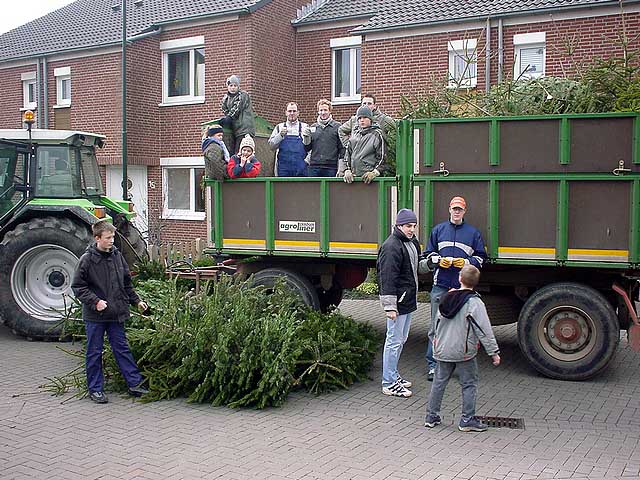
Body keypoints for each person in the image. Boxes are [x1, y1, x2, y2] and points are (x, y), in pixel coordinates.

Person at [71, 220, 149, 404]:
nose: (112, 240)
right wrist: (95, 302)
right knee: (94, 352)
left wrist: (137, 301)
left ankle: (135, 384)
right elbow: (78, 287)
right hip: (96, 316)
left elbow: (126, 284)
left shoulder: (117, 257)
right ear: (97, 238)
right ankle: (96, 389)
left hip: (116, 314)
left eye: (113, 237)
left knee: (122, 349)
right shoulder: (87, 260)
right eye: (108, 238)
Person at [424, 264, 500, 432]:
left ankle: (431, 416)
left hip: (442, 349)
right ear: (476, 282)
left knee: (438, 382)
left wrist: (436, 343)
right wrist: (493, 352)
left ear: (459, 279)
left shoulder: (445, 297)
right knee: (469, 384)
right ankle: (467, 419)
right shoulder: (475, 303)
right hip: (464, 352)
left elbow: (435, 324)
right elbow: (484, 330)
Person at [423, 196, 487, 381]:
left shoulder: (473, 233)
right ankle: (433, 365)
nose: (457, 212)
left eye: (460, 209)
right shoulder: (439, 230)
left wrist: (467, 262)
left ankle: (460, 366)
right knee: (435, 327)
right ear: (449, 210)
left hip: (462, 289)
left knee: (462, 328)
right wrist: (437, 260)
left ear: (464, 211)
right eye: (454, 209)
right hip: (440, 285)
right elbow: (428, 254)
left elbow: (482, 257)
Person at [377, 208, 421, 398]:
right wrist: (390, 307)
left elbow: (416, 266)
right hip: (399, 303)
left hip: (407, 300)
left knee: (400, 340)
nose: (411, 229)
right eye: (408, 226)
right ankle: (388, 383)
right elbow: (386, 277)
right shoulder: (391, 246)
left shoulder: (411, 243)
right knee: (393, 342)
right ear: (398, 225)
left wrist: (430, 263)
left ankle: (393, 376)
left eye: (413, 226)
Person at [342, 106, 384, 184]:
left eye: (365, 117)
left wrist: (375, 172)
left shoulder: (377, 135)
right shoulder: (354, 135)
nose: (362, 120)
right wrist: (347, 170)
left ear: (370, 119)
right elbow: (347, 155)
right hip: (354, 179)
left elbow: (383, 158)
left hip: (370, 180)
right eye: (360, 118)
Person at [302, 99, 344, 177]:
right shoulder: (313, 127)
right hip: (314, 167)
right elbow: (307, 148)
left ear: (330, 111)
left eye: (325, 110)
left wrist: (341, 168)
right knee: (313, 189)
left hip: (331, 167)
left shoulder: (337, 127)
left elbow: (342, 148)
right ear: (318, 111)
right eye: (321, 110)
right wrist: (306, 138)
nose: (323, 112)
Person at [268, 102, 309, 177]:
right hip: (284, 168)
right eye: (290, 111)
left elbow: (311, 147)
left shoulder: (305, 127)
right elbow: (271, 146)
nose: (292, 113)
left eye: (294, 111)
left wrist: (306, 161)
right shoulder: (279, 127)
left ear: (298, 113)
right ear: (286, 113)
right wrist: (280, 135)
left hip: (301, 168)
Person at [220, 75, 256, 154]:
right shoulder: (226, 98)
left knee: (240, 151)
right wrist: (226, 117)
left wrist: (229, 117)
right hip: (235, 129)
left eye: (235, 86)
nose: (233, 88)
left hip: (244, 129)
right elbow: (223, 108)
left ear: (238, 87)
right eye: (231, 85)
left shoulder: (243, 95)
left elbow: (237, 108)